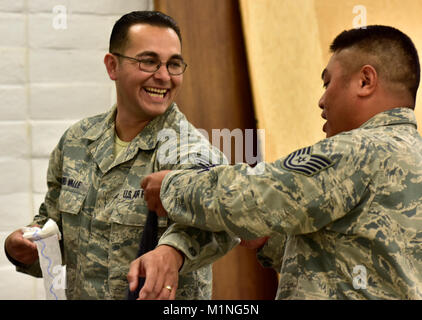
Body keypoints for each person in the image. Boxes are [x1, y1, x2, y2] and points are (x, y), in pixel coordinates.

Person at [139, 25, 422, 299]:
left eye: (328, 83)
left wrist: (172, 187)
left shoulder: (358, 151)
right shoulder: (410, 155)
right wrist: (269, 241)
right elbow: (356, 262)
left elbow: (260, 194)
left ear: (365, 81)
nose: (322, 100)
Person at [4, 11, 238, 300]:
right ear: (113, 66)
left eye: (173, 64)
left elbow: (225, 224)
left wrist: (172, 251)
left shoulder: (191, 153)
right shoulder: (77, 142)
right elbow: (54, 227)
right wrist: (26, 245)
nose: (163, 76)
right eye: (149, 61)